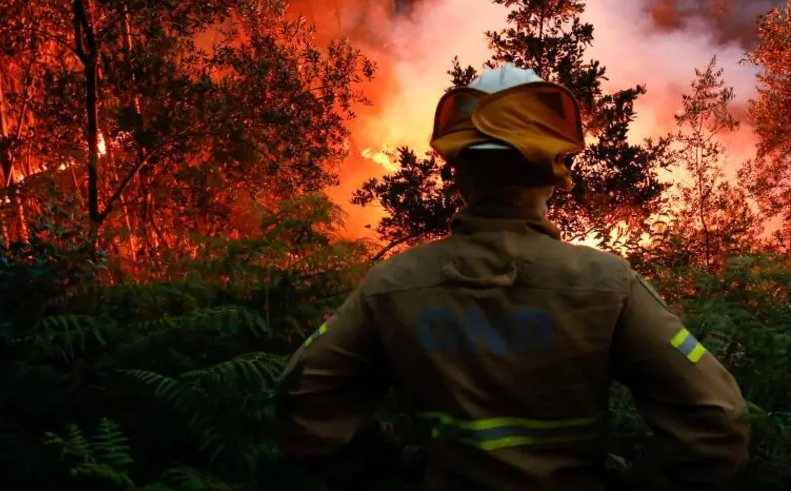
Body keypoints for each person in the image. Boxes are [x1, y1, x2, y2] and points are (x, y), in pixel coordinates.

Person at [274, 64, 750, 490]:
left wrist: (394, 470)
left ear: (458, 171)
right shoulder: (607, 284)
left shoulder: (394, 285)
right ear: (552, 169)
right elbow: (715, 420)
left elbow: (305, 398)